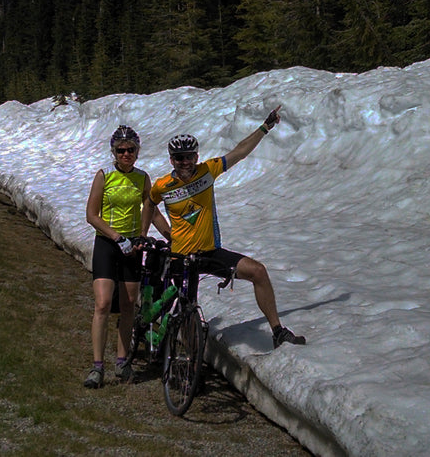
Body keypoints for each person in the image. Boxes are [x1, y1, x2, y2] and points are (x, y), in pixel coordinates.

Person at [150, 106, 305, 350]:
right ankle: (189, 360)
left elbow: (239, 152)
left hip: (209, 252)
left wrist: (265, 127)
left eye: (189, 156)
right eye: (179, 158)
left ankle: (277, 332)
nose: (185, 162)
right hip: (181, 257)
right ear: (172, 160)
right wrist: (166, 233)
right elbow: (150, 207)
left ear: (196, 156)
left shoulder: (207, 171)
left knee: (258, 272)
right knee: (187, 310)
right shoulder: (162, 186)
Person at [83, 125, 168, 388]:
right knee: (103, 303)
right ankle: (97, 367)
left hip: (132, 247)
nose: (126, 154)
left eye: (131, 149)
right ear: (114, 152)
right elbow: (91, 215)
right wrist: (116, 237)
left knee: (129, 303)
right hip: (108, 244)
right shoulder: (104, 175)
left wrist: (172, 236)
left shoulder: (142, 178)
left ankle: (122, 362)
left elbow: (151, 211)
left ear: (137, 151)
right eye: (121, 150)